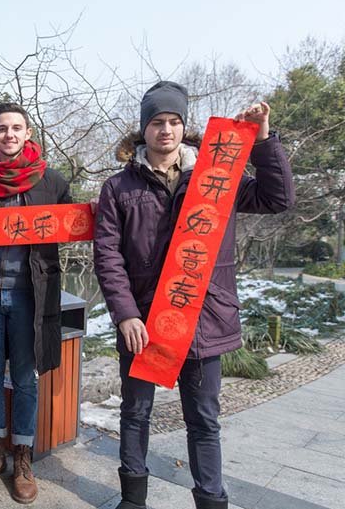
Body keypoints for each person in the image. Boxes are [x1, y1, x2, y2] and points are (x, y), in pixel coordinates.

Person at [93, 81, 294, 509]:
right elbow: (107, 254)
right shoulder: (118, 188)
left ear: (184, 127)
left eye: (174, 121)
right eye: (157, 122)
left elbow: (278, 198)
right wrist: (125, 314)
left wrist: (262, 139)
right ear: (142, 129)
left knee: (203, 420)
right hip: (146, 322)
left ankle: (210, 499)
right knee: (136, 413)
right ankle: (132, 498)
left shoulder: (216, 178)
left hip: (204, 318)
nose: (166, 130)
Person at [0, 102, 72, 504]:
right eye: (1, 128)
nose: (9, 134)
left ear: (27, 134)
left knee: (25, 375)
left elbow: (72, 226)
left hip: (31, 296)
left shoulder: (52, 182)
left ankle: (22, 453)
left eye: (16, 128)